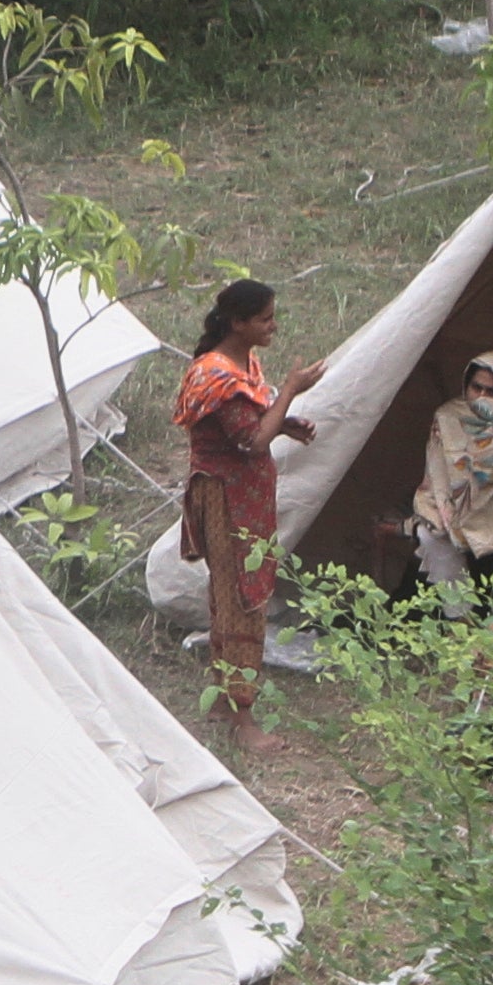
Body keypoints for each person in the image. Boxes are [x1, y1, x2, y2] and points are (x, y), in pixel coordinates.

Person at [175, 278, 322, 729]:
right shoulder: (217, 376)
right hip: (227, 499)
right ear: (238, 322)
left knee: (234, 595)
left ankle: (225, 703)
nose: (273, 326)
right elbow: (251, 442)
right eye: (265, 318)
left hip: (241, 495)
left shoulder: (243, 365)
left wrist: (283, 423)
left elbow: (253, 424)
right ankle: (242, 716)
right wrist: (292, 391)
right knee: (242, 599)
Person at [409, 348, 493, 598]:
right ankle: (461, 617)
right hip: (451, 508)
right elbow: (439, 476)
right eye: (475, 387)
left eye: (491, 392)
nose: (480, 396)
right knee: (431, 536)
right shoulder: (447, 417)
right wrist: (452, 519)